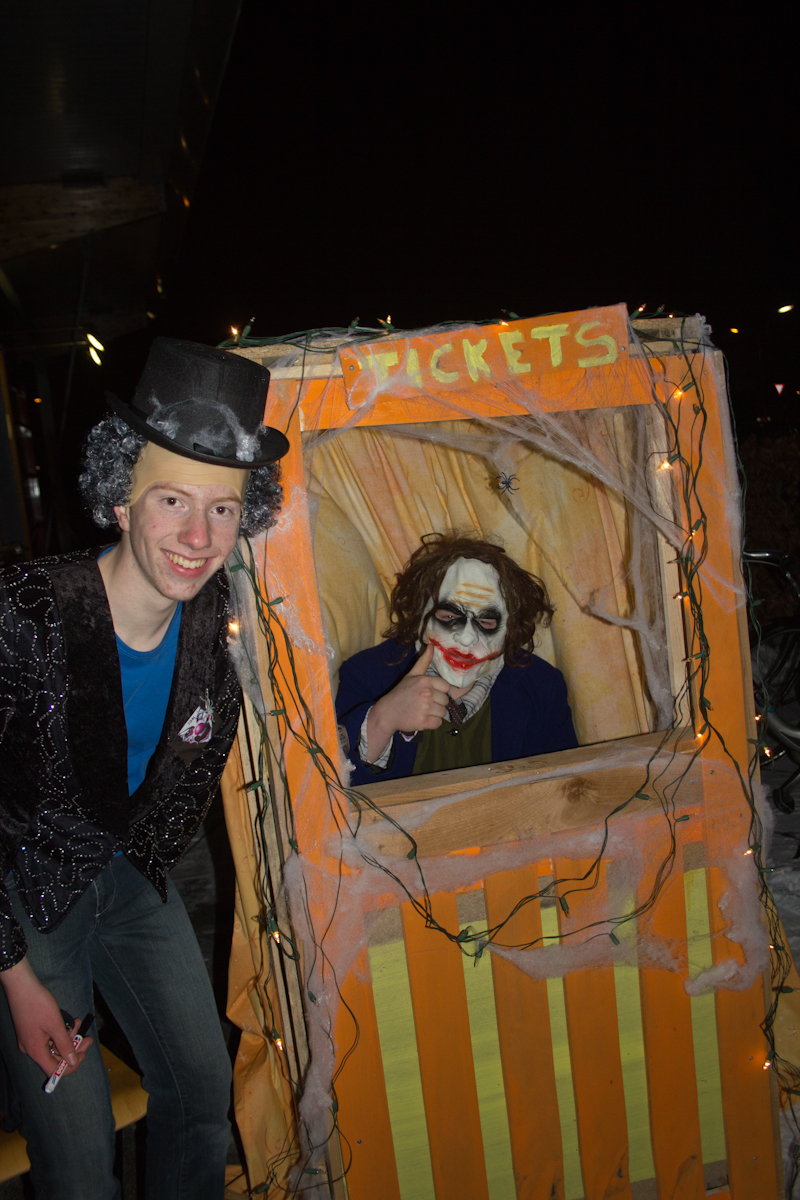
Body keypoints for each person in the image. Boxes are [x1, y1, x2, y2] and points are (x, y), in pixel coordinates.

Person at [0, 338, 288, 1197]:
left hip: (128, 879)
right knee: (80, 1160)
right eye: (171, 500)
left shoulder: (215, 631)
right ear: (120, 498)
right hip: (23, 895)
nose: (198, 538)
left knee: (203, 1094)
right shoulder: (24, 617)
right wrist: (16, 981)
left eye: (223, 508)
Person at [336, 533, 577, 785]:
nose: (466, 638)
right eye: (449, 617)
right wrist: (382, 720)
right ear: (420, 612)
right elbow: (330, 791)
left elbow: (567, 789)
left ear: (510, 628)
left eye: (486, 622)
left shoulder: (543, 688)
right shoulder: (365, 676)